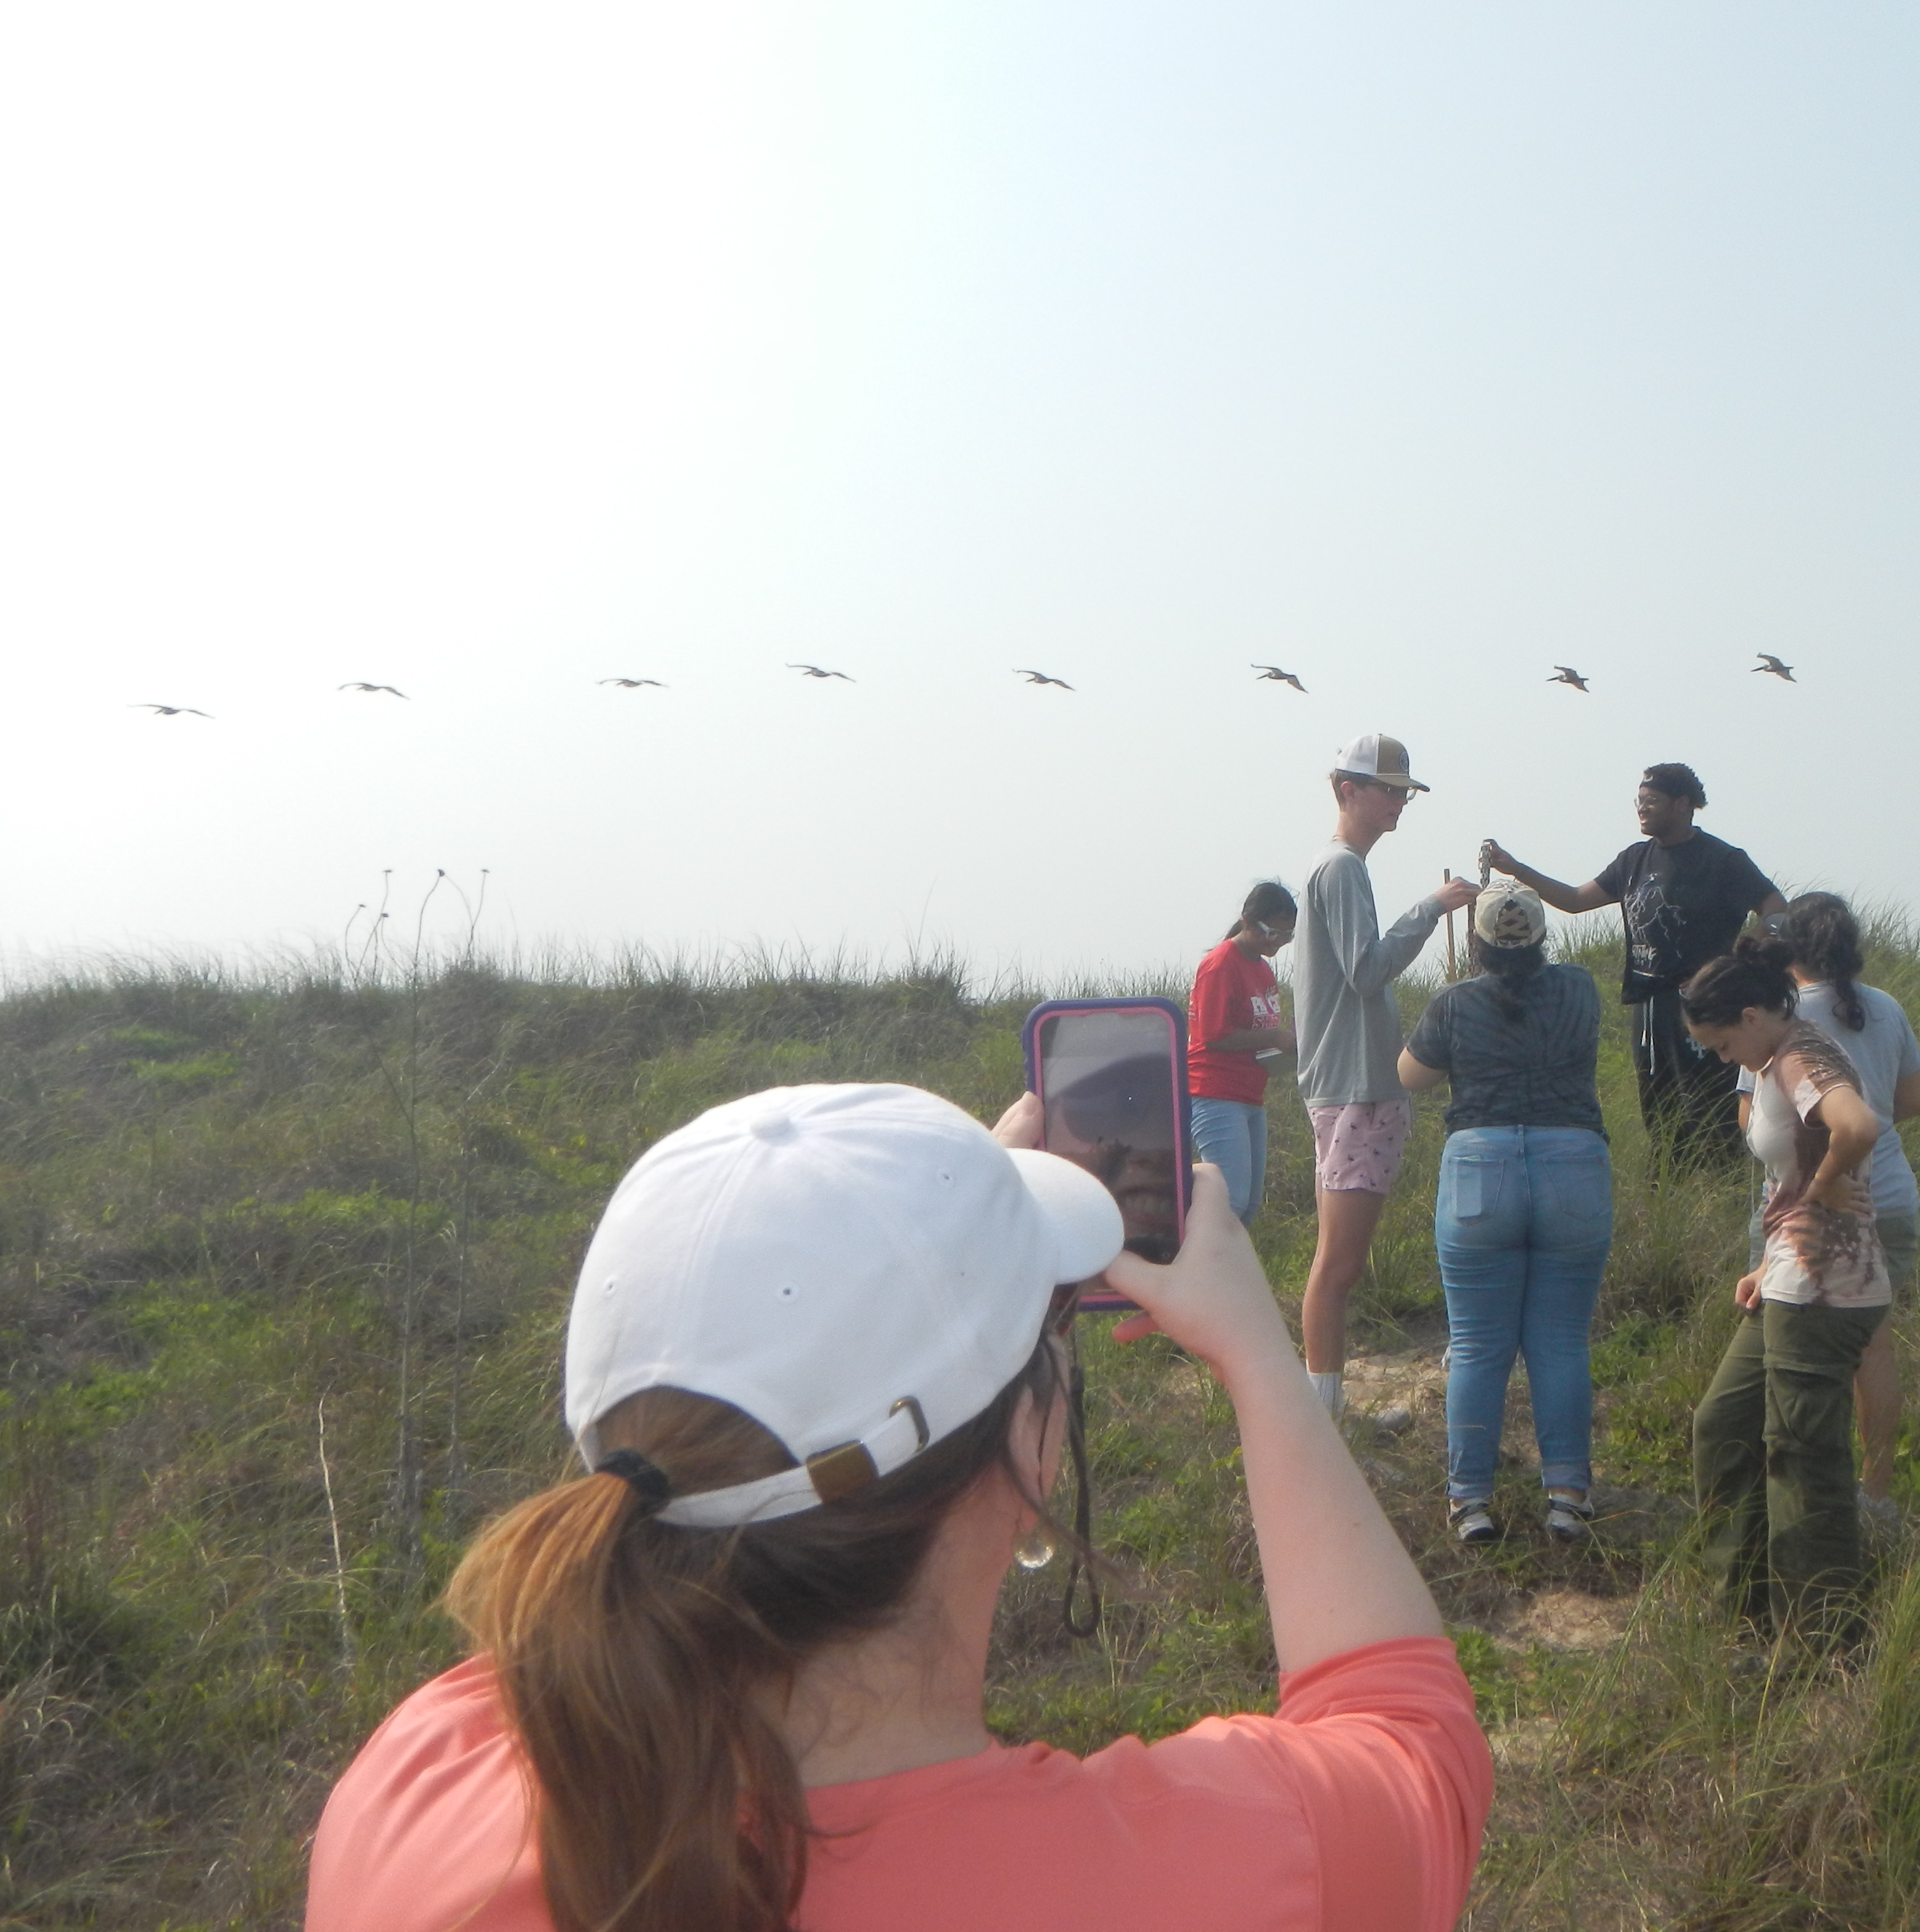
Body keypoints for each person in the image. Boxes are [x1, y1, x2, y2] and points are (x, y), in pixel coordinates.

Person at [305, 1082, 1491, 1932]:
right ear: (1029, 1448)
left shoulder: (417, 1782)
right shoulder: (1230, 1873)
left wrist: (915, 1272)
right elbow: (1406, 1736)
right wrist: (1258, 1356)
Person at [1677, 941, 1888, 1643]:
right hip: (1789, 1281)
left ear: (1750, 1015)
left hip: (1826, 1292)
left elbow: (1858, 1127)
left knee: (1802, 1462)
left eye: (1722, 1042)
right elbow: (1790, 1172)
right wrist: (1769, 1262)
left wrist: (1827, 1188)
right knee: (1724, 1426)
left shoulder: (1801, 1054)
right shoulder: (1775, 1057)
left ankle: (1818, 1639)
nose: (1720, 1058)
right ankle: (1742, 1611)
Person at [1397, 880, 1612, 1547]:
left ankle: (1471, 1502)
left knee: (1478, 1346)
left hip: (1479, 1166)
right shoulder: (1581, 989)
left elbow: (1410, 1077)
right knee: (1560, 1342)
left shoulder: (1454, 1003)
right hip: (1573, 1160)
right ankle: (1568, 1497)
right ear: (1543, 935)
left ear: (1478, 943)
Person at [1292, 734, 1477, 1418]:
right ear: (1347, 790)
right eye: (1389, 789)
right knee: (1337, 1266)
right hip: (1356, 1089)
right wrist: (1431, 909)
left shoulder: (1337, 867)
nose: (1400, 801)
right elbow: (1366, 971)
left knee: (1335, 1262)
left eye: (1404, 791)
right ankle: (1322, 1418)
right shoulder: (1341, 869)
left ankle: (1325, 1408)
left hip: (1346, 1085)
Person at [1479, 763, 1782, 1172]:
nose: (1642, 809)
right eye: (1639, 801)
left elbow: (1777, 911)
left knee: (1711, 1111)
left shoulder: (1722, 860)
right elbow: (1573, 900)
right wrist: (1517, 870)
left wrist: (1734, 962)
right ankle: (1667, 1193)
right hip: (1650, 1007)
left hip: (1708, 1006)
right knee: (1660, 1111)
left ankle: (1722, 1191)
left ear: (1683, 804)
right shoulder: (1633, 861)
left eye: (1652, 801)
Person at [1733, 894, 1920, 1510]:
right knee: (1873, 1348)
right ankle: (1875, 1492)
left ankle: (1797, 1489)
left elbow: (1751, 1121)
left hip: (1803, 1214)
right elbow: (1912, 1100)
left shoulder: (1775, 1017)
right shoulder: (1886, 1007)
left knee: (1787, 1349)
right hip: (1890, 1196)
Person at [1189, 881, 1298, 1224]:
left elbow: (1256, 1030)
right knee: (1229, 1203)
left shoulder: (1263, 968)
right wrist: (1275, 1037)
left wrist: (1289, 1041)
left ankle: (1217, 1271)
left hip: (1250, 1095)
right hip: (1214, 1092)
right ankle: (1196, 1270)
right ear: (1248, 921)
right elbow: (1213, 1035)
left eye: (1286, 935)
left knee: (1248, 1205)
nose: (1277, 941)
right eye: (1271, 931)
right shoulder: (1220, 964)